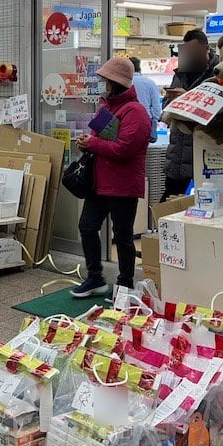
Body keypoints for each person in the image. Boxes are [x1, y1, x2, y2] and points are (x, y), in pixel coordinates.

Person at [71, 56, 151, 297]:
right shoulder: (107, 107)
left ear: (116, 81)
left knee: (123, 235)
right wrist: (87, 143)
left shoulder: (136, 112)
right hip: (100, 181)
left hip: (124, 185)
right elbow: (101, 139)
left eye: (106, 79)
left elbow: (124, 149)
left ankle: (125, 284)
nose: (103, 83)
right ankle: (95, 277)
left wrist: (93, 143)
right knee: (87, 226)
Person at [160, 29, 220, 200]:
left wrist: (186, 97)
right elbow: (166, 106)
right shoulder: (180, 73)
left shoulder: (218, 74)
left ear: (206, 49)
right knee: (170, 204)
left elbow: (215, 111)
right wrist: (171, 101)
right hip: (177, 154)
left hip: (204, 154)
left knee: (202, 204)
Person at [129, 56, 162, 143]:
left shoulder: (125, 82)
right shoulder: (149, 83)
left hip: (127, 121)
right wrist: (155, 121)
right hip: (146, 121)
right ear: (139, 68)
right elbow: (156, 106)